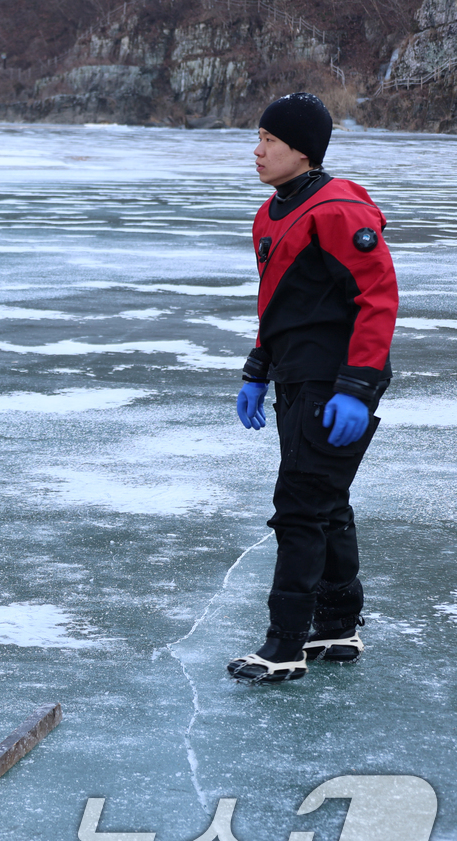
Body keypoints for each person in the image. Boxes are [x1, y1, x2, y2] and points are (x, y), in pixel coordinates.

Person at [228, 92, 398, 684]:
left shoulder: (338, 210)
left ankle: (283, 645)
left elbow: (377, 300)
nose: (258, 151)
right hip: (295, 375)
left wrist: (357, 387)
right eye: (260, 138)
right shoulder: (271, 211)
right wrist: (258, 368)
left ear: (302, 150)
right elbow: (279, 304)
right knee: (327, 504)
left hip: (336, 379)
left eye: (270, 141)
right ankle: (336, 627)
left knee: (300, 510)